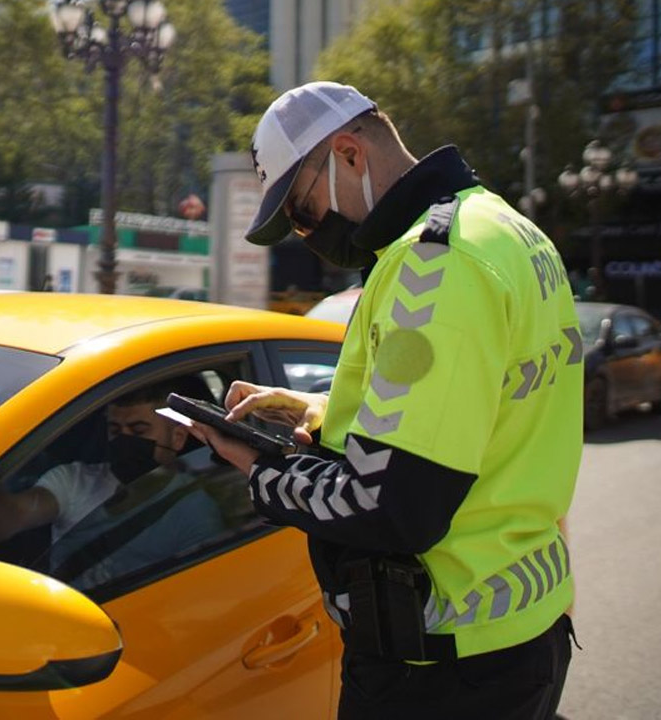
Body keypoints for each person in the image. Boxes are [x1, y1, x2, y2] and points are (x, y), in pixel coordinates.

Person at [191, 82, 581, 720]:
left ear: (348, 153)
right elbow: (482, 411)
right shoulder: (506, 229)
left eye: (302, 209)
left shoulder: (434, 266)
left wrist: (261, 470)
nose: (303, 232)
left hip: (438, 672)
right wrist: (316, 410)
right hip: (521, 633)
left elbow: (394, 507)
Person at [0, 381, 223, 591]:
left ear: (177, 437)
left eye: (139, 431)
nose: (125, 440)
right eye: (116, 430)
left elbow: (192, 592)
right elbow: (15, 514)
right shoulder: (76, 479)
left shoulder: (195, 509)